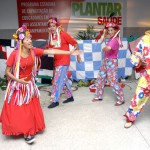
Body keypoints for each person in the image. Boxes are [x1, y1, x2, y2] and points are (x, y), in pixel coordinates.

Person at [0, 25, 80, 144]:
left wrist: (69, 52)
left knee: (29, 109)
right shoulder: (14, 54)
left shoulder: (34, 51)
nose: (30, 41)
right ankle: (24, 130)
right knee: (19, 109)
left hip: (29, 84)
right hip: (18, 85)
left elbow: (51, 50)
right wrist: (19, 81)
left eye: (30, 38)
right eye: (27, 39)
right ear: (21, 42)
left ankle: (29, 131)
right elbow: (7, 72)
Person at [46, 17, 81, 108]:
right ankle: (70, 97)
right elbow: (48, 48)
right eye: (50, 26)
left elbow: (75, 43)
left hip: (64, 61)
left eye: (54, 26)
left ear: (57, 26)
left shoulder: (63, 34)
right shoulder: (50, 37)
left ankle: (55, 101)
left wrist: (77, 55)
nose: (52, 28)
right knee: (63, 80)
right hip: (56, 62)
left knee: (56, 81)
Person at [92, 22, 124, 106]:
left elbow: (108, 48)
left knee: (112, 81)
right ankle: (98, 96)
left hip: (112, 62)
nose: (110, 32)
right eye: (108, 30)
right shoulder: (111, 38)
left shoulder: (114, 40)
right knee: (100, 78)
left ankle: (121, 99)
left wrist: (103, 48)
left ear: (115, 31)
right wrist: (103, 35)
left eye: (111, 30)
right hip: (106, 61)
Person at [124, 30, 150, 128]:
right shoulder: (145, 39)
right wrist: (139, 61)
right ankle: (130, 117)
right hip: (147, 76)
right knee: (138, 97)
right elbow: (136, 53)